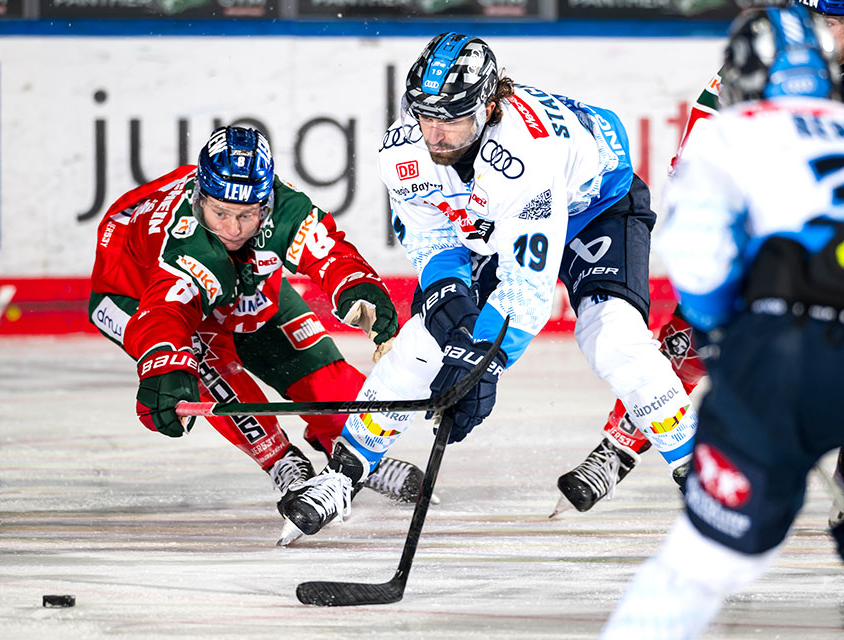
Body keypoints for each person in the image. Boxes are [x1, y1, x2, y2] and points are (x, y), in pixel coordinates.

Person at [276, 33, 700, 537]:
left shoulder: (524, 159)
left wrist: (481, 365)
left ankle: (701, 472)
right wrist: (447, 308)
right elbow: (433, 241)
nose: (435, 133)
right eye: (424, 115)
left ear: (489, 106)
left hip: (596, 208)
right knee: (425, 344)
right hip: (499, 219)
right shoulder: (401, 153)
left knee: (612, 338)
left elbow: (527, 287)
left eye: (451, 117)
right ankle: (342, 476)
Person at [600, 5, 844, 637]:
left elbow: (699, 262)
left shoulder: (732, 130)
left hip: (786, 356)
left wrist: (719, 334)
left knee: (698, 566)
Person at [87, 125, 425, 521]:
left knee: (324, 375)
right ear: (199, 199)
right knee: (199, 361)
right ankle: (281, 460)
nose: (232, 229)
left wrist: (357, 287)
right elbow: (166, 312)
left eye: (246, 215)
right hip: (133, 293)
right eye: (220, 213)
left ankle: (349, 451)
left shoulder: (282, 206)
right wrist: (165, 363)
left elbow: (327, 250)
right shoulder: (186, 241)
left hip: (238, 282)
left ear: (266, 204)